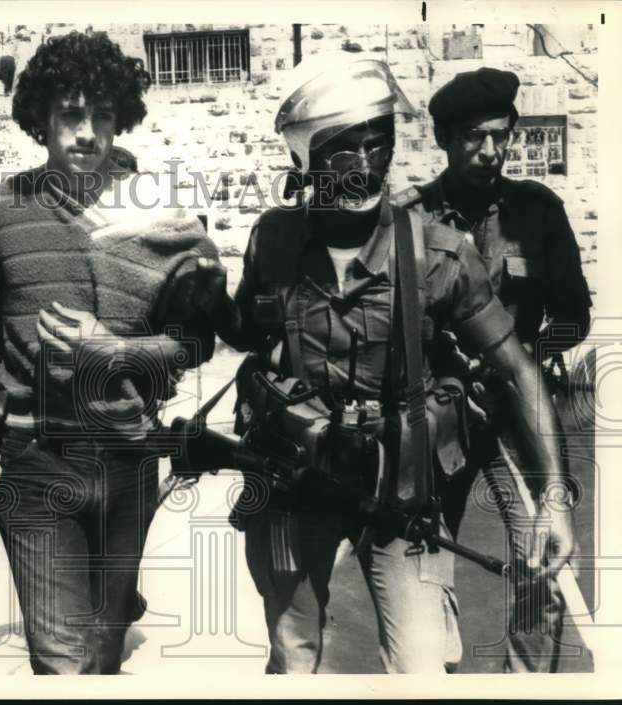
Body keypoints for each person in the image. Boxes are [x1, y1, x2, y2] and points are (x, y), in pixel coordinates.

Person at [194, 52, 576, 673]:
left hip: (402, 494)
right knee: (294, 659)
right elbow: (250, 333)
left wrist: (554, 498)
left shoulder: (437, 253)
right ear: (307, 157)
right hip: (296, 486)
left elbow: (516, 370)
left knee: (421, 666)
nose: (367, 162)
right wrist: (204, 297)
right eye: (346, 147)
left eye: (379, 142)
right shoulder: (275, 241)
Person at [0, 31, 218, 674]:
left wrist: (113, 350)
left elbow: (197, 343)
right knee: (62, 662)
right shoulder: (1, 212)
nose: (87, 133)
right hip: (36, 460)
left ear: (122, 119)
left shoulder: (162, 215)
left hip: (128, 461)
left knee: (104, 654)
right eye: (70, 114)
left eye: (102, 115)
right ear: (41, 117)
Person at [396, 67, 592, 672]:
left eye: (500, 135)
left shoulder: (538, 213)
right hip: (441, 415)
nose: (490, 151)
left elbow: (574, 316)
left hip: (516, 415)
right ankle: (439, 673)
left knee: (542, 560)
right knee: (422, 560)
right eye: (473, 137)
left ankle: (523, 681)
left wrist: (526, 353)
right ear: (444, 139)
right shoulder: (409, 220)